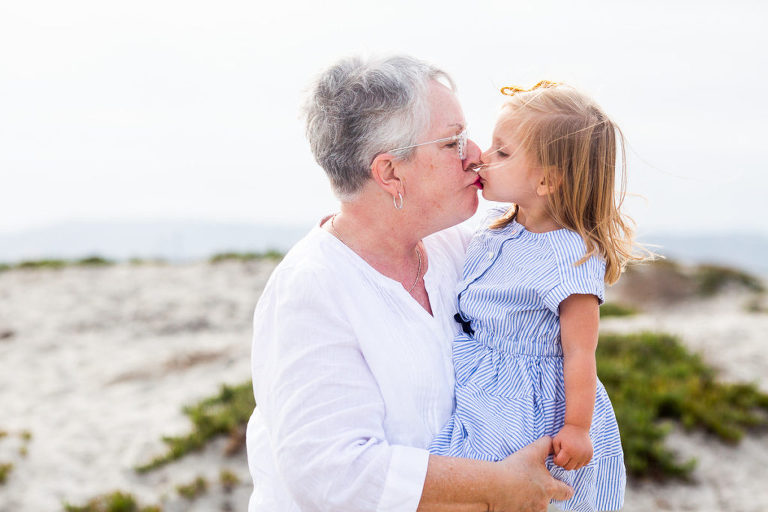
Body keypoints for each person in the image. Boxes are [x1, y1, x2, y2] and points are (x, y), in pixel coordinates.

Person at [245, 57, 574, 511]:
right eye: (452, 141)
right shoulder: (310, 291)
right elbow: (332, 473)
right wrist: (496, 486)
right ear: (389, 173)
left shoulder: (462, 252)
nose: (474, 153)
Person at [429, 81, 645, 511]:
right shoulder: (498, 226)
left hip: (525, 399)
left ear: (547, 179)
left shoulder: (571, 255)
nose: (483, 157)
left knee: (500, 486)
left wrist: (577, 427)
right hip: (482, 378)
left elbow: (580, 352)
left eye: (503, 152)